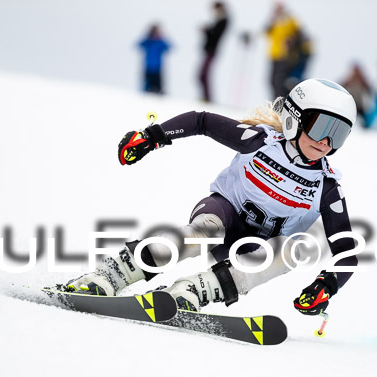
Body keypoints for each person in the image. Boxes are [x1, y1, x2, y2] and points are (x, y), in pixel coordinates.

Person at [61, 79, 359, 319]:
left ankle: (194, 289)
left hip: (256, 249)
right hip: (223, 214)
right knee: (205, 232)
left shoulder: (328, 186)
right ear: (295, 119)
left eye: (338, 134)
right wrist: (152, 136)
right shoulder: (259, 141)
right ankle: (111, 274)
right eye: (321, 127)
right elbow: (201, 120)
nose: (325, 142)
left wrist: (327, 285)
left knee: (293, 250)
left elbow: (346, 251)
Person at [266, 3, 301, 98]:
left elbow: (299, 34)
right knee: (272, 81)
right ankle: (276, 103)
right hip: (274, 55)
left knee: (280, 82)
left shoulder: (290, 20)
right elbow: (266, 32)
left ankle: (280, 103)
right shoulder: (274, 21)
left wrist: (291, 41)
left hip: (285, 56)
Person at [198, 2, 229, 103]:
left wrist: (207, 31)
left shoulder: (223, 20)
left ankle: (208, 98)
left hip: (212, 50)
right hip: (209, 50)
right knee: (202, 75)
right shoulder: (218, 20)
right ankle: (206, 97)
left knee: (203, 74)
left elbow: (214, 35)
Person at [138, 24, 171, 94]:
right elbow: (139, 44)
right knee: (147, 85)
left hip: (158, 67)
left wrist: (161, 37)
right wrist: (147, 37)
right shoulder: (148, 42)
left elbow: (169, 47)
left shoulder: (160, 42)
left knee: (159, 86)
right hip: (148, 67)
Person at [341, 62, 373, 128]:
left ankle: (367, 127)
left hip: (359, 102)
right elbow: (342, 84)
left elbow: (369, 88)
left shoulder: (362, 79)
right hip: (353, 101)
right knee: (349, 114)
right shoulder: (350, 79)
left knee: (364, 116)